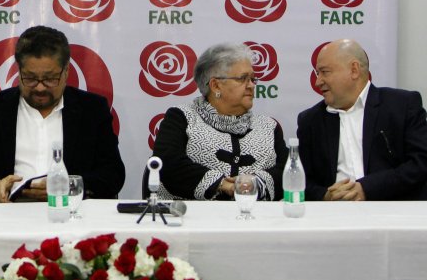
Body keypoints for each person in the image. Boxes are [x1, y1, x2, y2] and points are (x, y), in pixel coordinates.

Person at [0, 25, 125, 203]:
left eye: (50, 79)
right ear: (18, 71)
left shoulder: (92, 109)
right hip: (7, 215)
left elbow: (113, 175)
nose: (40, 87)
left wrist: (67, 186)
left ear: (66, 71)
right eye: (30, 78)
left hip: (71, 214)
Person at [152, 43, 286, 201]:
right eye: (243, 79)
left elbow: (286, 173)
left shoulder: (269, 127)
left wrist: (254, 184)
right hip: (191, 221)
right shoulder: (181, 117)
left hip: (254, 221)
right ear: (216, 85)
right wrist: (221, 184)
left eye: (252, 79)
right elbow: (168, 165)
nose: (251, 85)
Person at [297, 39, 427, 201]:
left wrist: (367, 189)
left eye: (325, 72)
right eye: (318, 74)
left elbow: (420, 163)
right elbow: (300, 181)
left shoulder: (402, 106)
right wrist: (326, 196)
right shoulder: (310, 121)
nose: (318, 82)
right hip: (333, 215)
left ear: (354, 70)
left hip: (393, 209)